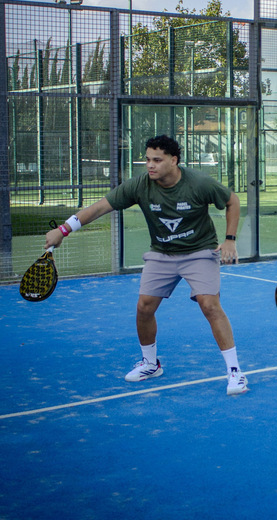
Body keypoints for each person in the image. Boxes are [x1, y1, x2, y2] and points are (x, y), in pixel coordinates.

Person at [45, 134, 248, 397]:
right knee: (144, 308)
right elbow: (99, 207)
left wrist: (230, 240)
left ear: (174, 161)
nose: (150, 165)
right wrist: (64, 229)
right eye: (147, 159)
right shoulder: (140, 185)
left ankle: (235, 372)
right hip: (161, 253)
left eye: (157, 160)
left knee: (209, 304)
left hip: (199, 252)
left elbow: (232, 200)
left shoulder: (199, 183)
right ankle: (151, 364)